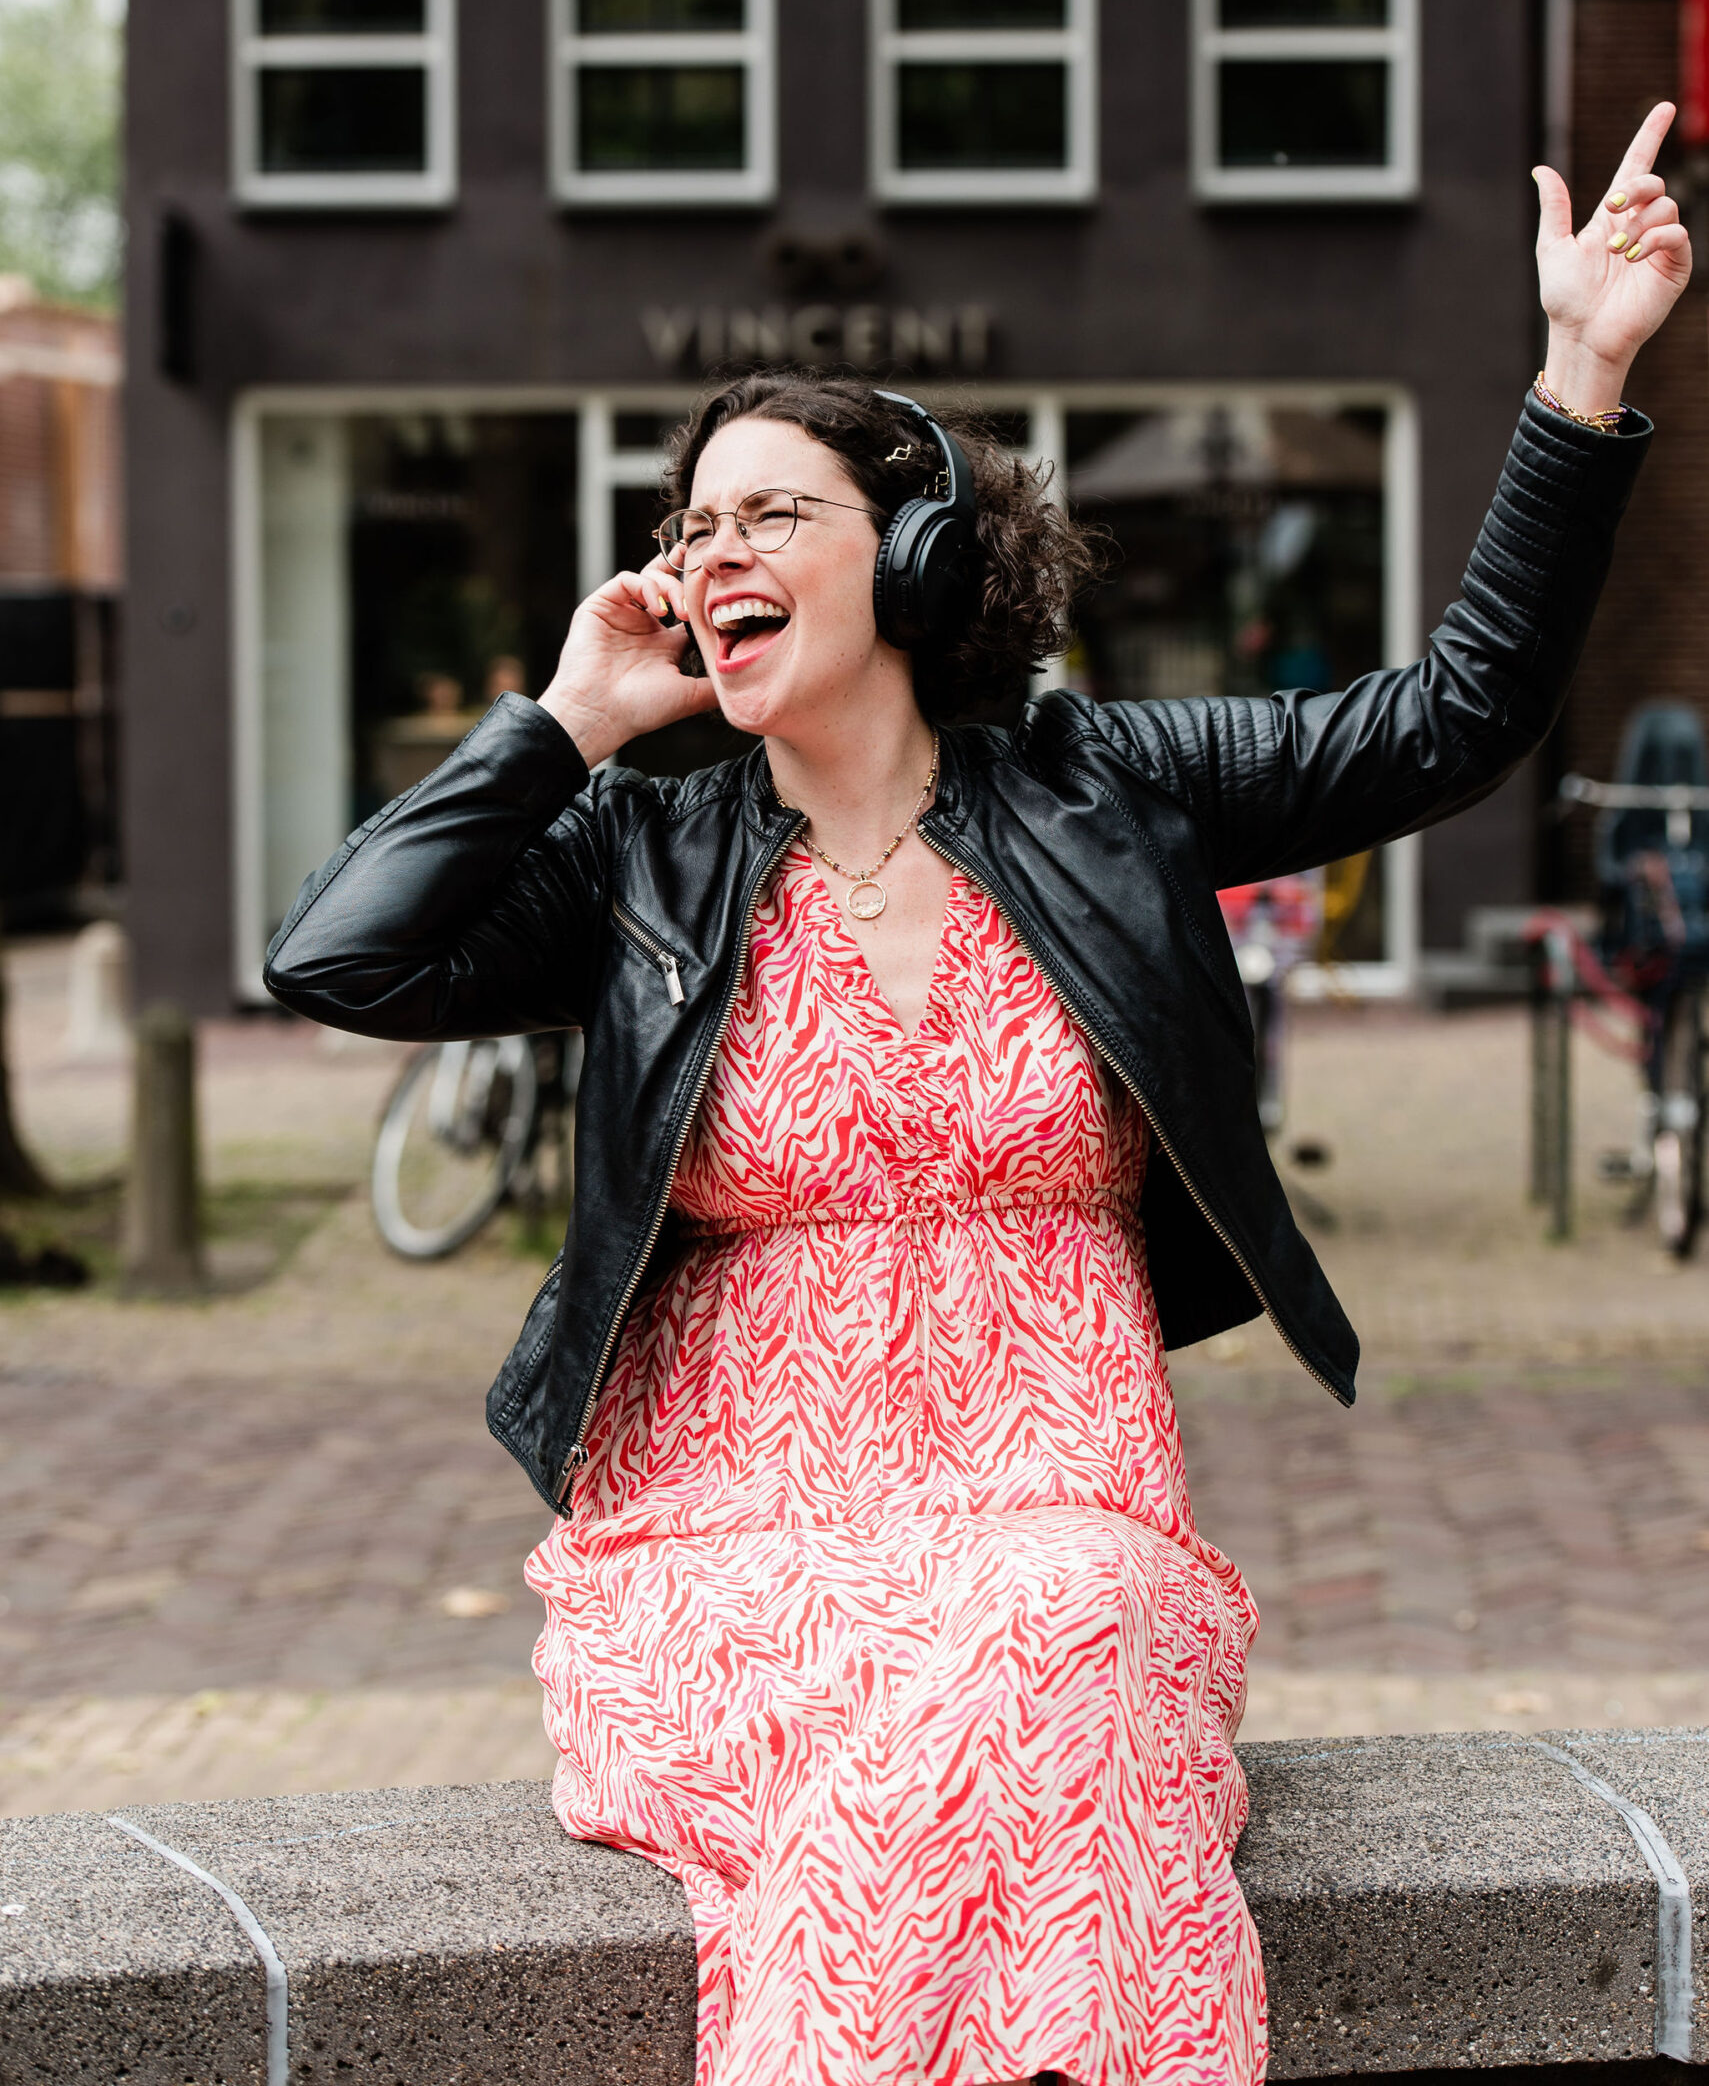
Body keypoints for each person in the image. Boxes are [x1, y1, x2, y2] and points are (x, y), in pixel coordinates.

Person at [265, 105, 1687, 2086]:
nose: (712, 554)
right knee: (918, 1720)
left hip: (1059, 1484)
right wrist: (568, 721)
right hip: (735, 1517)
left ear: (917, 564)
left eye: (772, 513)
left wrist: (1580, 371)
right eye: (693, 526)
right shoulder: (642, 854)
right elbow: (338, 958)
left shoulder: (1108, 787)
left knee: (1060, 1636)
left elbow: (1454, 713)